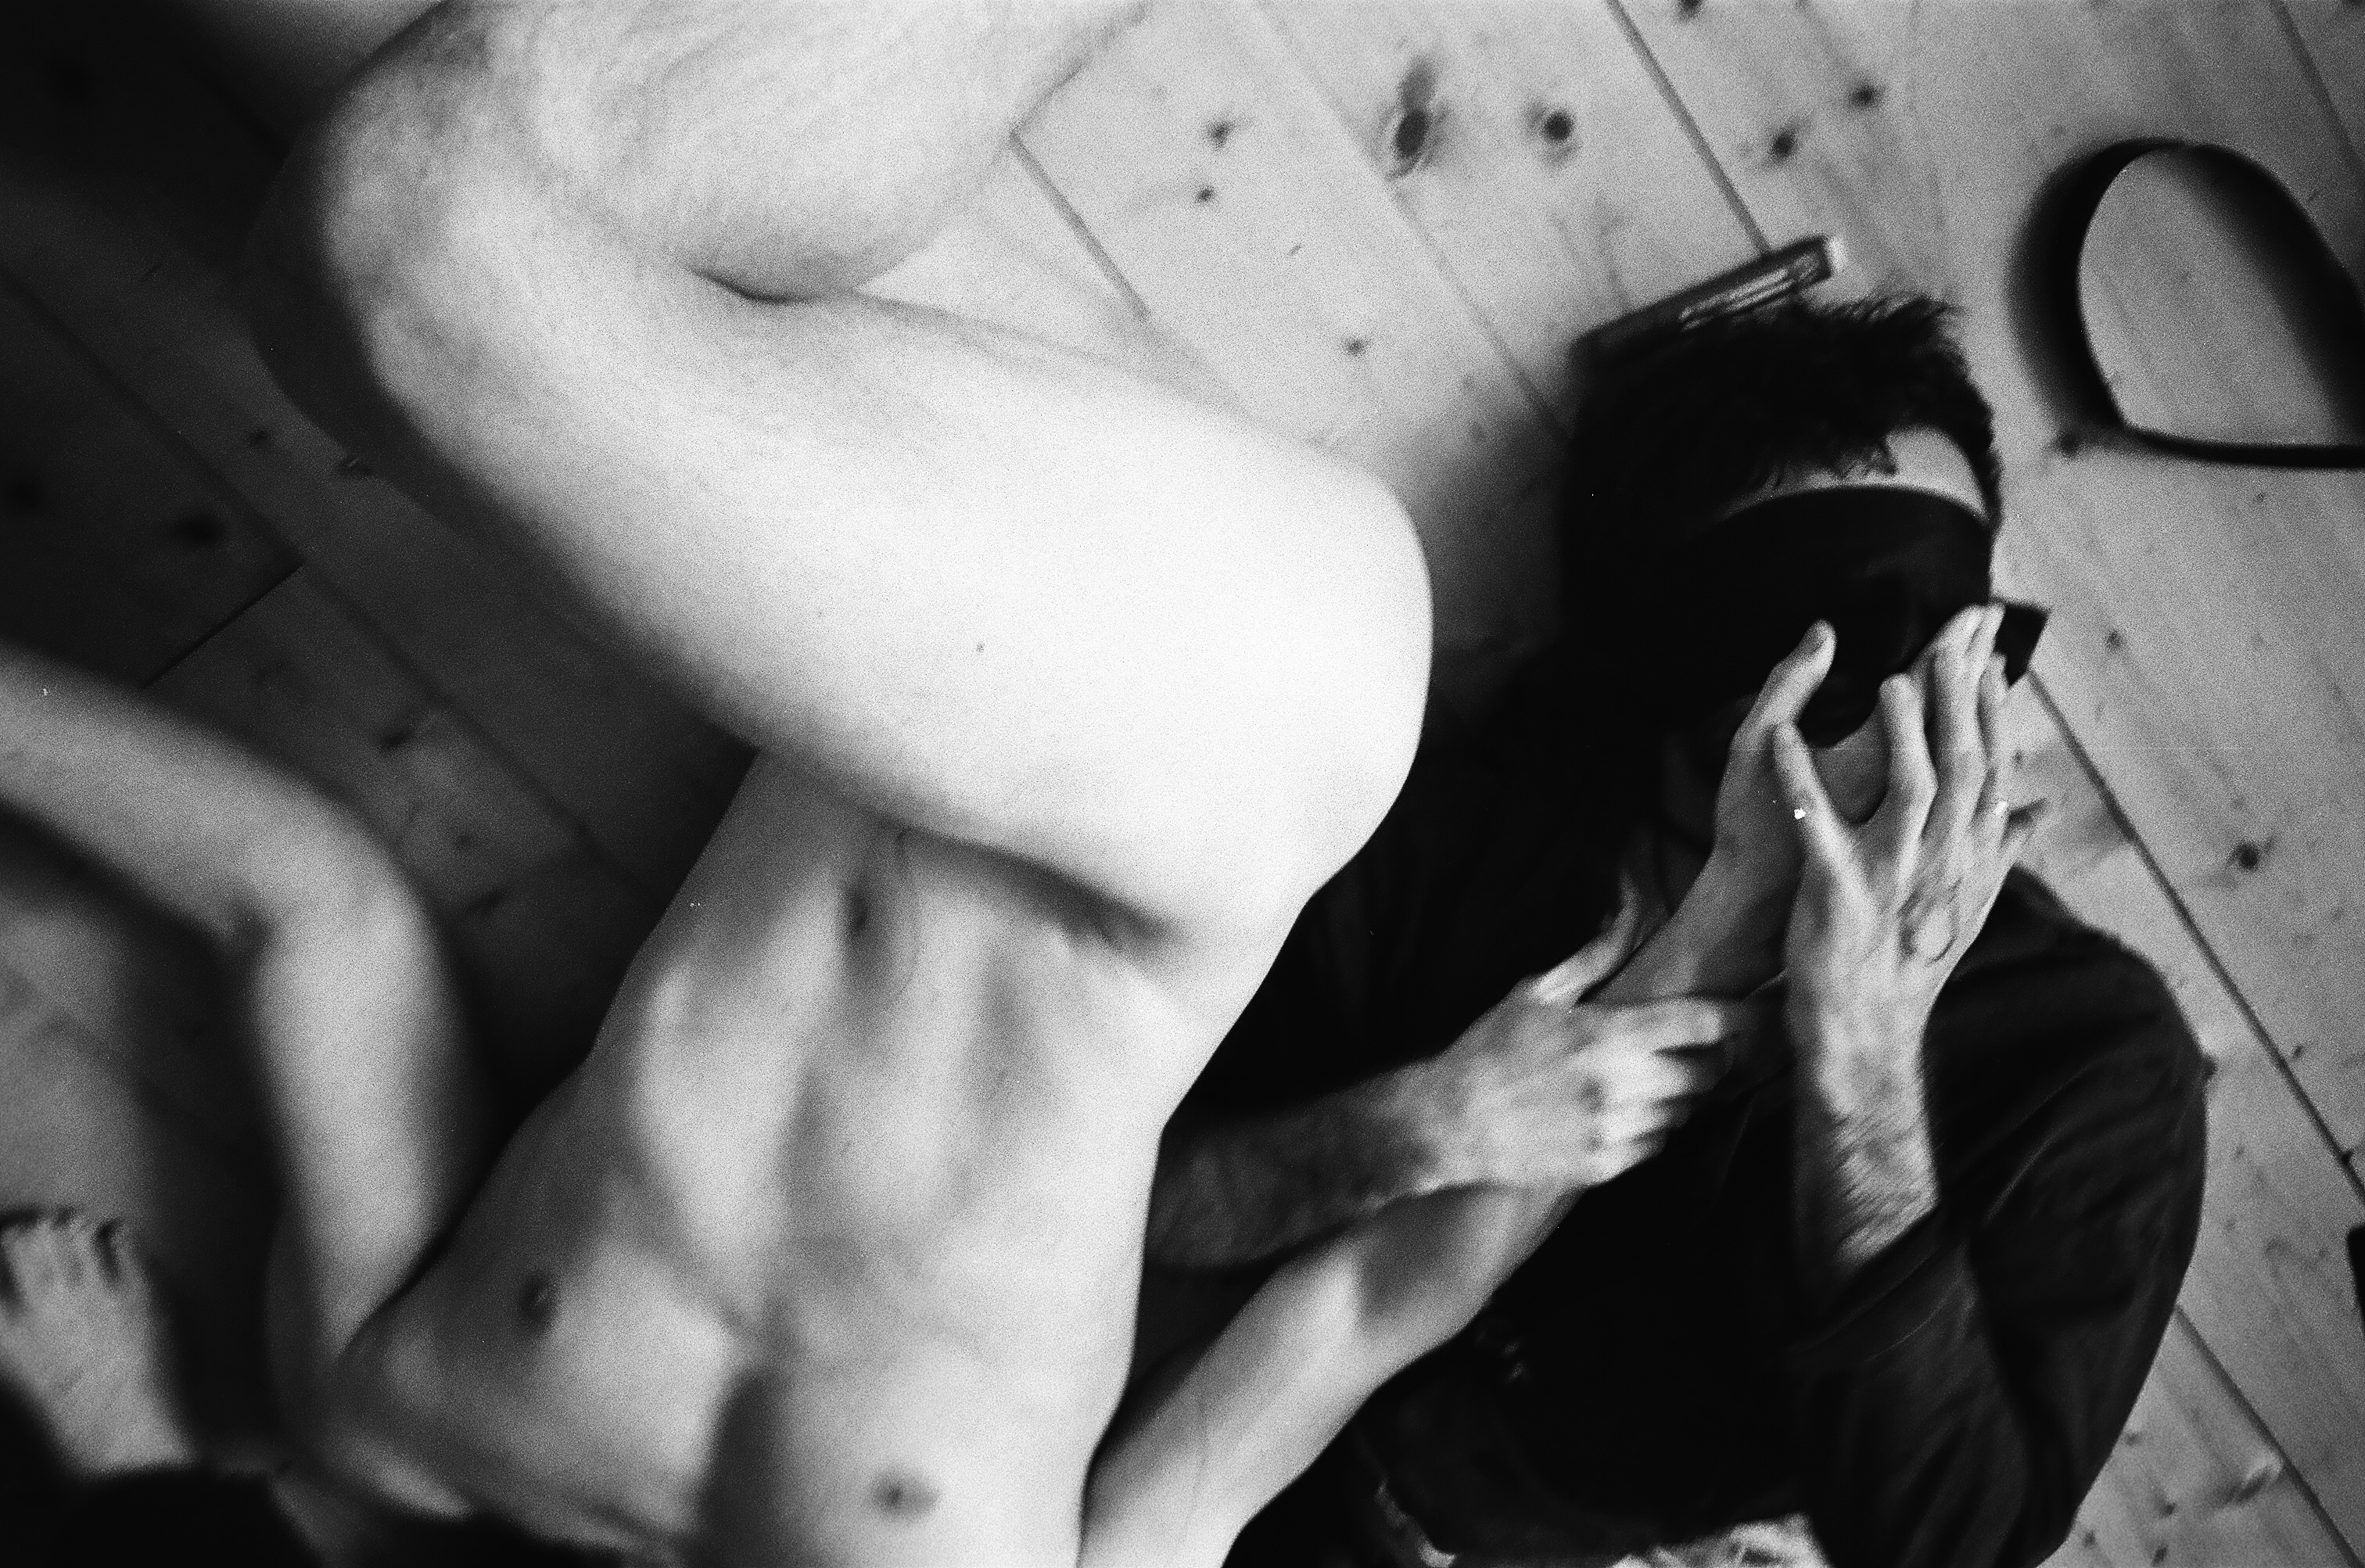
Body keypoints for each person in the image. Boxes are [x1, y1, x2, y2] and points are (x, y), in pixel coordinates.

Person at [0, 2, 1760, 1563]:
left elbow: (310, 902)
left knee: (394, 153)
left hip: (896, 494)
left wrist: (142, 1454)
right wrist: (1696, 953)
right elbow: (1359, 1315)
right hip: (1211, 765)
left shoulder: (400, 1412)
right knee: (402, 246)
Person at [1151, 299, 2209, 1568]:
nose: (1908, 704)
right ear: (1686, 659)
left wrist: (1867, 1069)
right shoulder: (1464, 848)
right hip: (1243, 1484)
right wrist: (1412, 1128)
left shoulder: (2089, 1054)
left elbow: (1954, 1546)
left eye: (1952, 635)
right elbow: (1131, 1207)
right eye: (1843, 636)